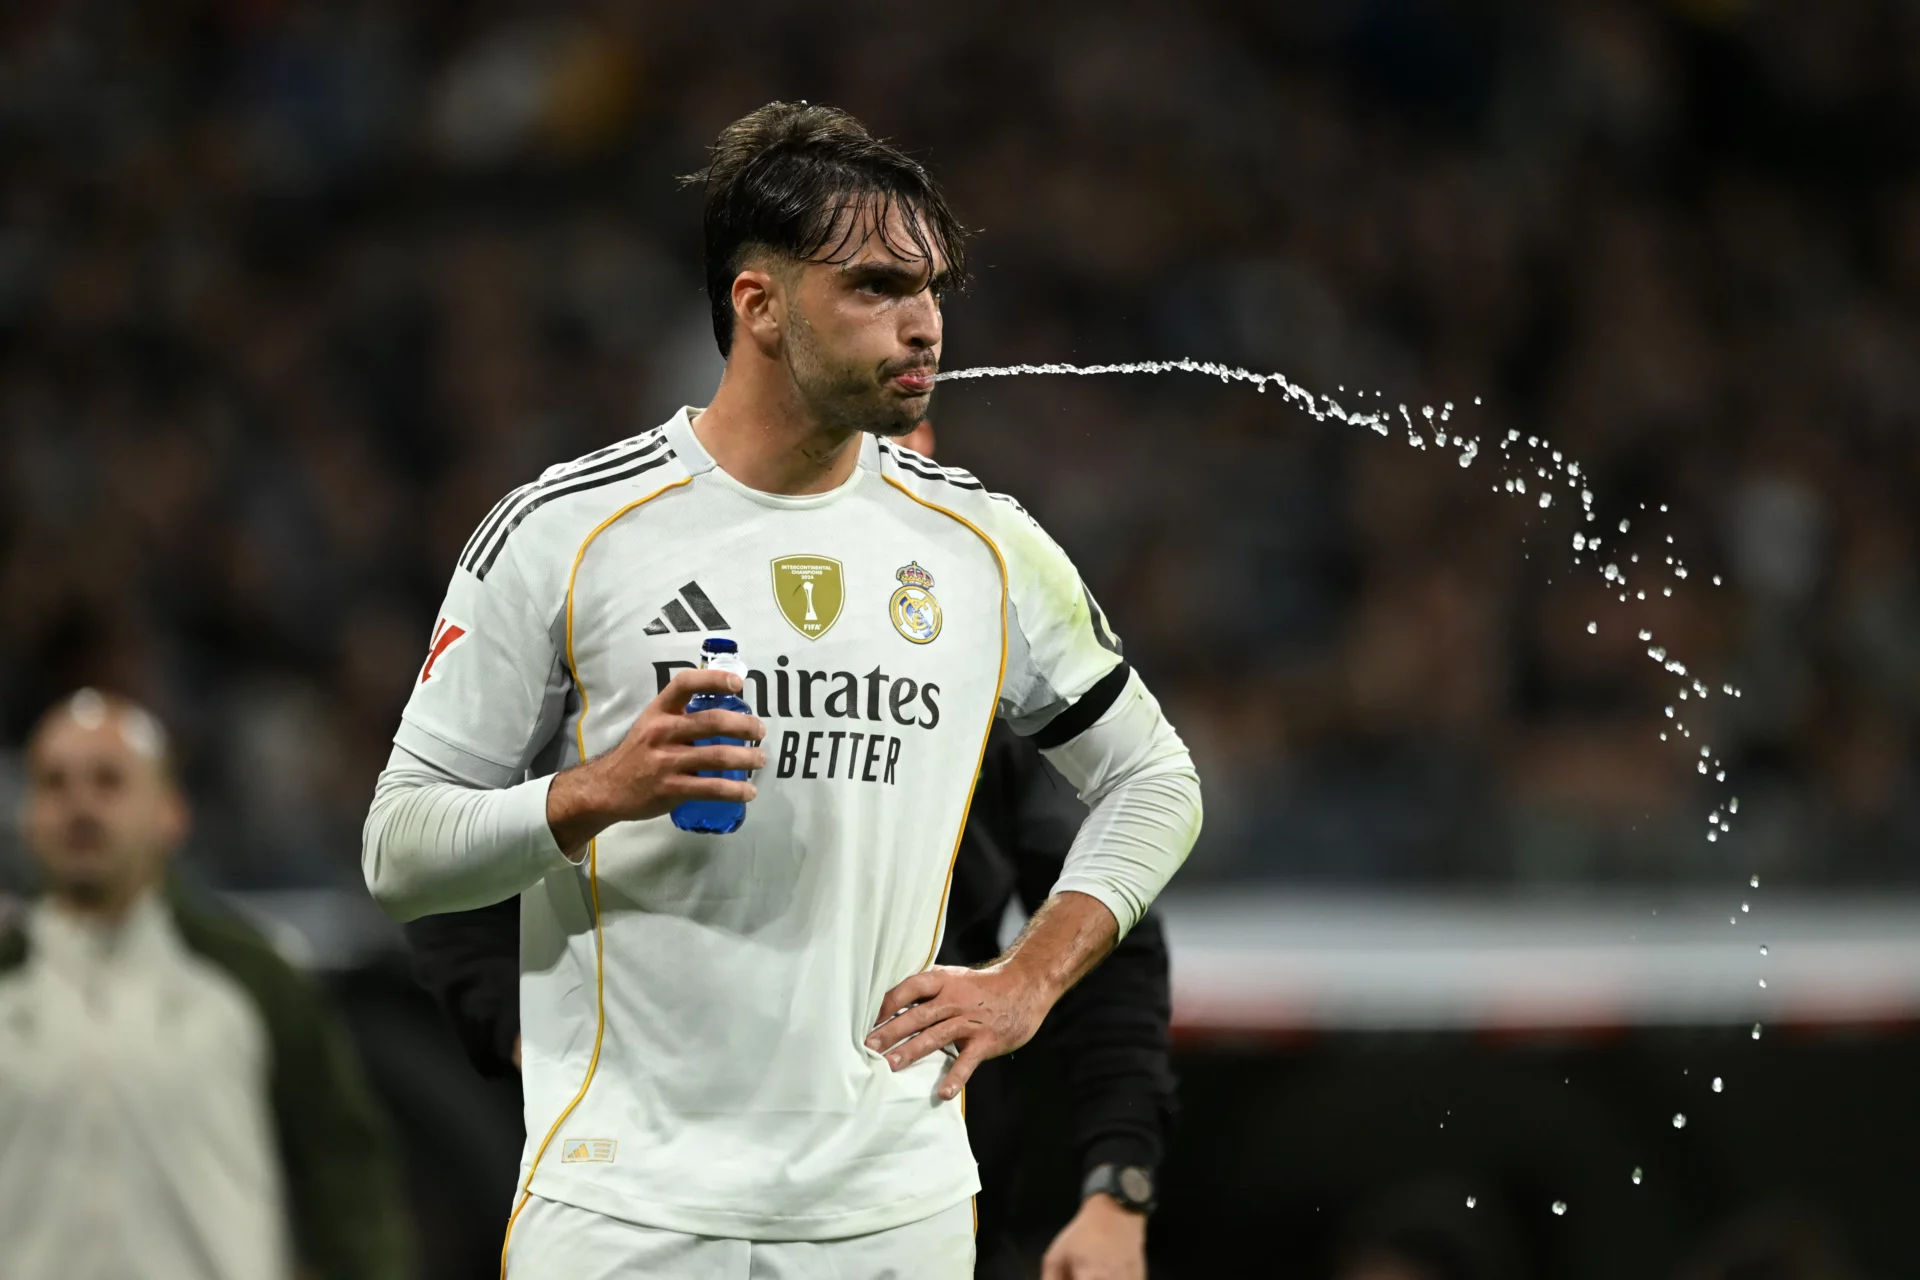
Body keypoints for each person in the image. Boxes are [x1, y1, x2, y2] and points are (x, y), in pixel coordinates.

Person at [362, 101, 1203, 1279]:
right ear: (758, 304)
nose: (924, 322)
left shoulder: (985, 544)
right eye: (875, 286)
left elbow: (1155, 779)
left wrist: (1028, 980)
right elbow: (400, 848)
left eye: (933, 288)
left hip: (893, 1211)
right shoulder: (564, 530)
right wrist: (596, 791)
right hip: (624, 1205)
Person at [405, 420, 1178, 1280]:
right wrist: (543, 1047)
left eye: (898, 461)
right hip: (640, 1190)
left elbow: (1115, 906)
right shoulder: (638, 635)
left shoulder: (984, 681)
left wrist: (1117, 1181)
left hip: (914, 1191)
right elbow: (440, 862)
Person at [0, 689, 409, 1280]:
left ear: (171, 811)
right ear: (28, 817)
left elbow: (344, 1170)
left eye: (109, 781)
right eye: (54, 783)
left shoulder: (253, 979)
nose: (80, 804)